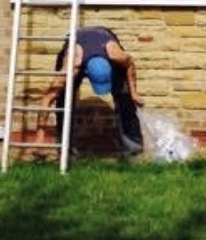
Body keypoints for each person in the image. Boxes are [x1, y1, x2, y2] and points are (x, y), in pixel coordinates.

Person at [38, 25, 144, 154]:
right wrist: (40, 138)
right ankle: (65, 147)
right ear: (85, 72)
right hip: (76, 42)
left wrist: (134, 93)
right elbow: (47, 98)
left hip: (103, 35)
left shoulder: (116, 56)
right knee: (63, 98)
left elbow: (130, 64)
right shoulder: (72, 65)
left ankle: (133, 147)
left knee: (124, 96)